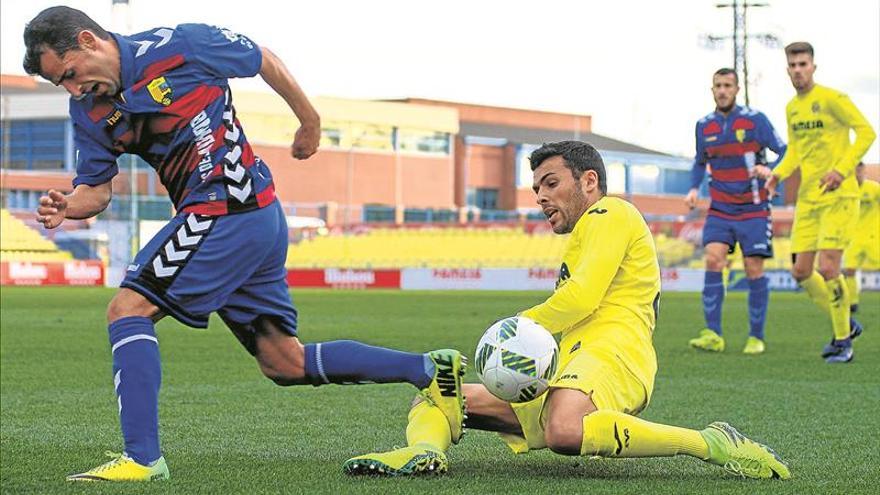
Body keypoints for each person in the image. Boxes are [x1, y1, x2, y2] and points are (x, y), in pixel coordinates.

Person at [25, 6, 465, 482]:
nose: (72, 88)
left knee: (127, 310)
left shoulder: (182, 44)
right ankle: (429, 367)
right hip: (242, 217)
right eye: (60, 85)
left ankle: (143, 460)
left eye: (69, 74)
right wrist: (70, 205)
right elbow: (97, 189)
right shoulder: (89, 111)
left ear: (89, 41)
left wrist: (310, 120)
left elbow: (261, 58)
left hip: (226, 209)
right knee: (284, 361)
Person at [344, 141, 790, 480]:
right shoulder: (585, 234)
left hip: (615, 355)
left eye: (551, 183)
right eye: (537, 187)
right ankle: (427, 452)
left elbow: (582, 297)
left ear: (589, 181)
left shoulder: (610, 213)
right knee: (441, 393)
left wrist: (513, 330)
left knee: (563, 429)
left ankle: (710, 442)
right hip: (574, 364)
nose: (540, 195)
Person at [766, 42, 876, 363]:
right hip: (809, 199)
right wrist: (777, 175)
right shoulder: (792, 108)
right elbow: (796, 152)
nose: (798, 70)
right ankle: (844, 320)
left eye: (803, 64)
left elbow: (867, 132)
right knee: (801, 271)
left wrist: (842, 171)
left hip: (839, 196)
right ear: (788, 70)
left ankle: (842, 341)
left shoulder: (833, 99)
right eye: (793, 65)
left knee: (828, 267)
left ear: (814, 66)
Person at [685, 68, 787, 355]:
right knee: (713, 259)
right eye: (717, 85)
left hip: (754, 209)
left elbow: (785, 151)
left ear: (737, 89)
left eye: (727, 85)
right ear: (712, 89)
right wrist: (694, 188)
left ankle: (756, 336)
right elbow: (698, 161)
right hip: (720, 208)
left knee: (754, 268)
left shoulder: (755, 120)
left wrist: (771, 171)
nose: (722, 90)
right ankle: (713, 334)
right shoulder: (704, 125)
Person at [843, 162, 880, 314]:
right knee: (849, 270)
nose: (857, 173)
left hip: (873, 235)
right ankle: (852, 302)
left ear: (864, 171)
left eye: (860, 169)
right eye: (855, 170)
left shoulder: (874, 188)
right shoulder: (846, 190)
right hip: (853, 237)